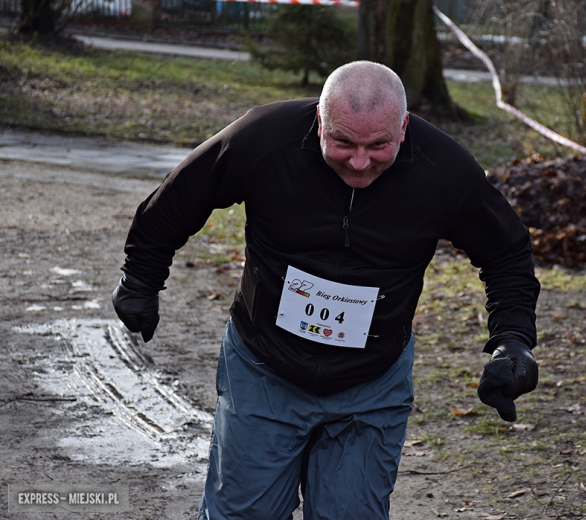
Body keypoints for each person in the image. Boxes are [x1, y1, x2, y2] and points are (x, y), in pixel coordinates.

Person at [112, 61, 540, 520]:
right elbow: (179, 197)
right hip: (264, 367)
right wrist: (141, 278)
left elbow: (506, 253)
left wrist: (513, 341)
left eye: (378, 145)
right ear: (320, 120)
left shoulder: (445, 171)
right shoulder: (264, 138)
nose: (360, 162)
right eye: (342, 142)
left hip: (372, 383)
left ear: (403, 128)